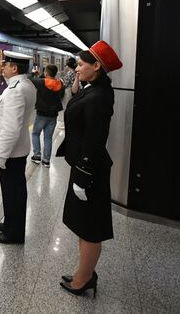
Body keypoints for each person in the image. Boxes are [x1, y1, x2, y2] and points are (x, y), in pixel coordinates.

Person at [56, 40, 123, 297]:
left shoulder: (98, 97)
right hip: (86, 168)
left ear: (97, 65)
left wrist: (82, 176)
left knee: (90, 228)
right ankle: (84, 271)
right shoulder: (94, 88)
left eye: (82, 64)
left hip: (90, 171)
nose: (77, 69)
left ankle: (83, 280)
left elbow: (95, 139)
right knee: (83, 223)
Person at [0, 50, 36, 244]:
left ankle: (13, 233)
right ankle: (10, 224)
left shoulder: (16, 90)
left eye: (5, 65)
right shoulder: (26, 85)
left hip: (11, 153)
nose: (3, 67)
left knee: (13, 193)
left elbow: (11, 128)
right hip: (18, 149)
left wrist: (2, 155)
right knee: (13, 192)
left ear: (14, 68)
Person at [29, 64, 63, 168]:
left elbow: (30, 79)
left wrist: (34, 73)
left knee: (35, 134)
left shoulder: (41, 82)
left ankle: (37, 156)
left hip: (41, 114)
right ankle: (46, 161)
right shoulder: (60, 84)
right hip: (53, 116)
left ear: (46, 73)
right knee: (48, 138)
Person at [57, 57, 77, 128]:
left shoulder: (70, 72)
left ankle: (65, 124)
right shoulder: (74, 71)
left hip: (68, 91)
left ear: (68, 66)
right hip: (72, 90)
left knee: (66, 106)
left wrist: (61, 81)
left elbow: (65, 83)